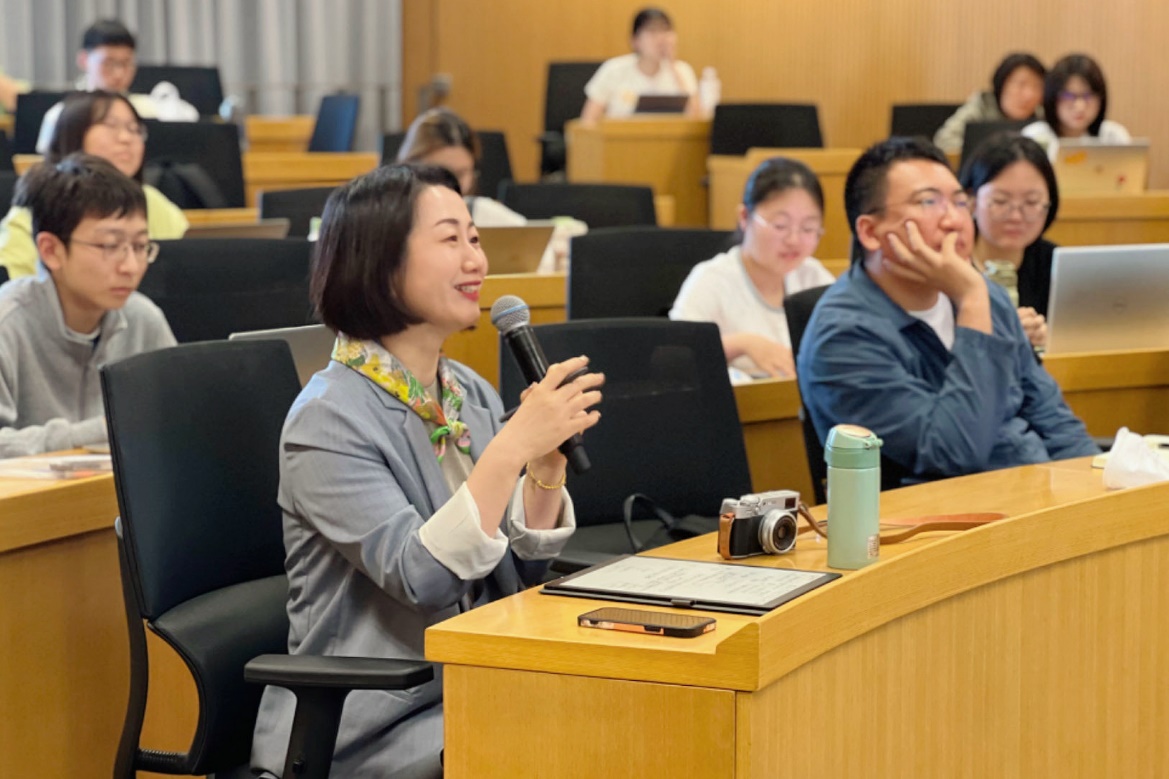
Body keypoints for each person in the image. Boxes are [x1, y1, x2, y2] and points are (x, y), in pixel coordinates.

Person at [250, 163, 602, 777]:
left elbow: (516, 572)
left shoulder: (467, 390)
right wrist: (510, 449)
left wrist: (545, 465)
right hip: (372, 719)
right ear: (380, 260)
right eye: (450, 239)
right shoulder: (326, 419)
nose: (475, 260)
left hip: (476, 682)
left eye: (475, 238)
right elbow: (423, 578)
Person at [796, 137, 1097, 482]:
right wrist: (971, 301)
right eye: (928, 202)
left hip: (1034, 492)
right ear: (870, 232)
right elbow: (955, 454)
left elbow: (1054, 420)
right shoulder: (843, 336)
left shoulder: (987, 296)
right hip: (945, 509)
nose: (954, 220)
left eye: (959, 202)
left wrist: (1099, 489)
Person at [0, 153, 176, 457]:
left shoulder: (143, 317)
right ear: (51, 250)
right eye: (109, 246)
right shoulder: (7, 322)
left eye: (139, 246)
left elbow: (177, 415)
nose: (131, 266)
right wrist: (102, 430)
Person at [670, 157, 834, 378]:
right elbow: (674, 357)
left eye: (808, 228)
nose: (794, 240)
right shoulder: (711, 279)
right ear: (745, 217)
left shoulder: (813, 277)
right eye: (780, 226)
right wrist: (742, 344)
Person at [1, 91, 189, 279]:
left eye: (134, 129)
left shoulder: (152, 200)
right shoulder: (37, 209)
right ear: (73, 134)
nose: (126, 138)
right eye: (111, 126)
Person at [397, 107, 576, 271]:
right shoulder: (392, 220)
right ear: (411, 168)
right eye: (441, 173)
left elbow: (538, 248)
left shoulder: (480, 211)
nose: (452, 185)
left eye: (461, 173)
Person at [960, 133, 1060, 348]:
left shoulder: (1057, 264)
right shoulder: (949, 265)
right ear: (970, 201)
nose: (1015, 216)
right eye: (1000, 201)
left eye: (1031, 202)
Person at [35, 19, 194, 154]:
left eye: (126, 63)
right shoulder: (61, 115)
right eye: (108, 63)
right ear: (84, 60)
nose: (119, 73)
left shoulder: (152, 110)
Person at [580, 7, 700, 122]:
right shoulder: (613, 70)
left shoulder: (682, 70)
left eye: (666, 30)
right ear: (635, 41)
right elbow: (588, 121)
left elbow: (697, 120)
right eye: (653, 31)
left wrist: (672, 65)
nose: (661, 38)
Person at [1022, 54, 1131, 158]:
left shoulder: (1113, 137)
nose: (1080, 106)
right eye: (1069, 96)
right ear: (1052, 97)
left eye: (1088, 96)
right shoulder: (1034, 137)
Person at [933, 53, 1046, 153]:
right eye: (1021, 84)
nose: (1029, 95)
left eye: (1037, 87)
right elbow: (944, 141)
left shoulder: (1042, 116)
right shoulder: (981, 106)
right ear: (1002, 85)